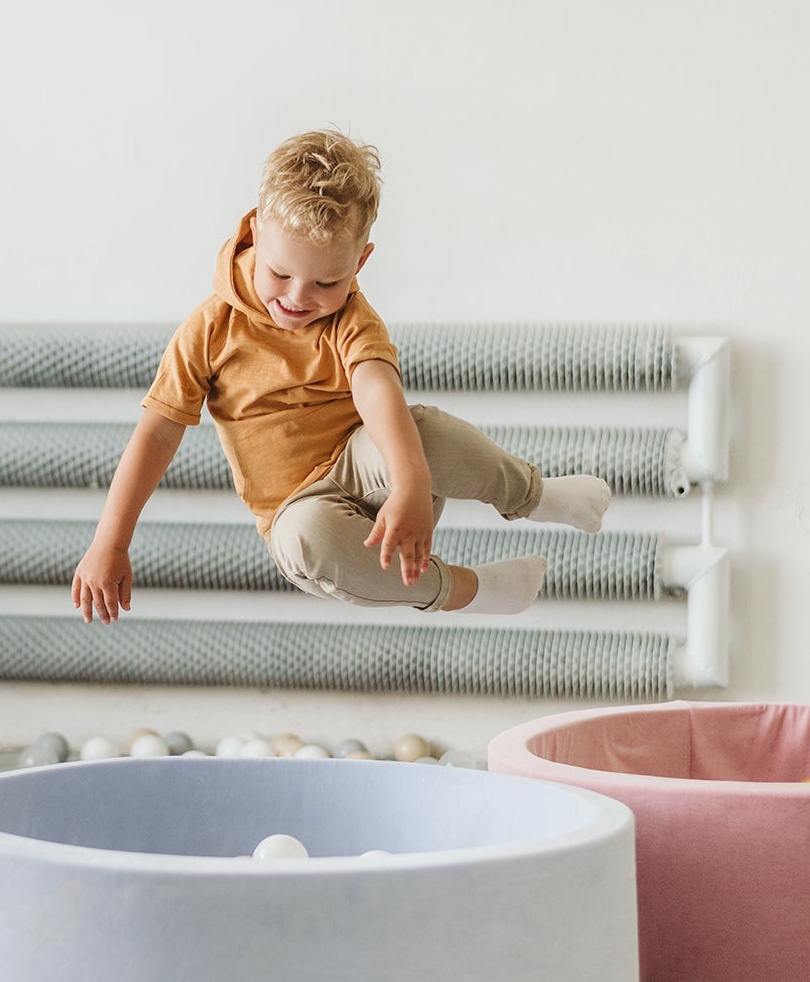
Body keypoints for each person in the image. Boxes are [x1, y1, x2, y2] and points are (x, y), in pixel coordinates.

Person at [72, 129, 611, 624]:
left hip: (385, 479)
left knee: (422, 432)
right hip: (299, 509)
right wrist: (111, 542)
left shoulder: (350, 315)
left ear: (361, 260)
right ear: (255, 232)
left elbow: (376, 386)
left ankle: (535, 496)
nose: (299, 298)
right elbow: (157, 432)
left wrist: (412, 481)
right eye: (280, 273)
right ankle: (472, 590)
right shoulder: (211, 328)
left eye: (327, 281)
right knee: (308, 540)